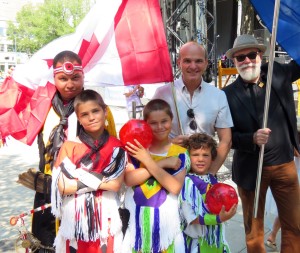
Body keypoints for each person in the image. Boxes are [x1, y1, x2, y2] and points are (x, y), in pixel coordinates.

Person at [223, 34, 300, 252]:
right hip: (251, 172)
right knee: (254, 235)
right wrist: (251, 139)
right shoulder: (227, 95)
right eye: (240, 58)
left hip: (284, 165)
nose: (247, 60)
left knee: (294, 226)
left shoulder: (277, 73)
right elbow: (227, 137)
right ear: (234, 62)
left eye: (251, 54)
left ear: (260, 55)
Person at [51, 89, 126, 253]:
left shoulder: (117, 146)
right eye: (84, 114)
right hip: (75, 219)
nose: (91, 117)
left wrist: (77, 176)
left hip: (106, 219)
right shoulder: (69, 147)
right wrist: (102, 180)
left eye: (95, 111)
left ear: (105, 112)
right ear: (78, 118)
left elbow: (115, 185)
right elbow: (63, 187)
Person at [31, 50, 85, 252]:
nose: (69, 84)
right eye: (63, 78)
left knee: (78, 242)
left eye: (75, 78)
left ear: (83, 76)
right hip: (46, 187)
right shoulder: (42, 106)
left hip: (80, 188)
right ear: (54, 77)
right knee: (45, 243)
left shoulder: (94, 106)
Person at [153, 41, 233, 175]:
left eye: (199, 61)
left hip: (204, 170)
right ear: (179, 63)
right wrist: (170, 143)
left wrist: (210, 174)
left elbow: (226, 140)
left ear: (206, 63)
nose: (193, 66)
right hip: (170, 170)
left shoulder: (218, 95)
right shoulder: (163, 93)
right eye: (187, 61)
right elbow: (149, 135)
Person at [122, 99, 190, 252]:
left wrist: (148, 162)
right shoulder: (136, 150)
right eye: (153, 123)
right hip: (136, 221)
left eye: (164, 121)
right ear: (145, 124)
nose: (160, 127)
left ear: (171, 120)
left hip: (167, 224)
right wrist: (158, 163)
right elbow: (129, 179)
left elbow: (174, 187)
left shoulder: (179, 153)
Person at [179, 133, 237, 252]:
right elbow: (191, 218)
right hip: (197, 244)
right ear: (188, 157)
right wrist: (218, 218)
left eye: (205, 155)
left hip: (215, 241)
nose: (200, 159)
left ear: (212, 158)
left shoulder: (212, 179)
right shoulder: (188, 182)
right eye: (195, 155)